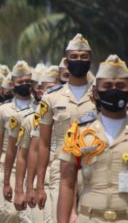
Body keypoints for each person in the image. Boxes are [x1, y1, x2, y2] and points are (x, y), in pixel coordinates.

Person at [58, 54, 128, 223]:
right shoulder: (79, 132)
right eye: (108, 86)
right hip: (89, 218)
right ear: (96, 93)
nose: (114, 90)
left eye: (120, 86)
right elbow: (67, 184)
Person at [35, 33, 96, 222]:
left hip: (93, 165)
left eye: (84, 57)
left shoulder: (100, 95)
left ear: (90, 61)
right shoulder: (51, 98)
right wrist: (38, 186)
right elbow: (43, 143)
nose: (79, 61)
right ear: (66, 61)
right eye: (74, 57)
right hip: (59, 169)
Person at [0, 60, 34, 223]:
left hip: (34, 166)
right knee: (9, 214)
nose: (24, 85)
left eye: (27, 81)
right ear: (12, 83)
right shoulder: (1, 111)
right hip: (7, 167)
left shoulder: (41, 108)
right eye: (20, 82)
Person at [13, 65, 60, 222]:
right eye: (51, 89)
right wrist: (25, 189)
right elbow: (24, 156)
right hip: (44, 183)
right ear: (41, 92)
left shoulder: (69, 117)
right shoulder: (31, 120)